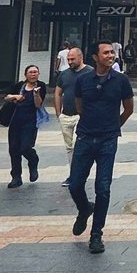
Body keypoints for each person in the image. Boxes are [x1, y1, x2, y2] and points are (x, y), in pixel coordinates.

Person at [69, 41, 133, 253]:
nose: (110, 55)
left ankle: (96, 234)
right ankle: (84, 208)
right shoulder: (83, 80)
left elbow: (129, 108)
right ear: (95, 57)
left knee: (103, 188)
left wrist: (113, 126)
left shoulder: (121, 80)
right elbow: (79, 106)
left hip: (108, 140)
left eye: (112, 52)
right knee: (75, 184)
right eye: (105, 53)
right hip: (85, 137)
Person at [3, 65, 46, 189]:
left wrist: (36, 94)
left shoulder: (41, 86)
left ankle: (33, 160)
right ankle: (16, 177)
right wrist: (14, 97)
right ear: (26, 74)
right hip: (15, 120)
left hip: (30, 121)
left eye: (35, 72)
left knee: (25, 147)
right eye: (31, 72)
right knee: (13, 149)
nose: (33, 74)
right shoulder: (19, 86)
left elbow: (39, 105)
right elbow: (6, 96)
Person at [54, 45, 88, 187]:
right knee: (69, 147)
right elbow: (58, 93)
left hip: (81, 116)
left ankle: (77, 175)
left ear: (80, 57)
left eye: (72, 59)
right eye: (68, 59)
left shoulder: (89, 73)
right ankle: (73, 175)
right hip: (66, 116)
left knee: (77, 145)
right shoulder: (65, 74)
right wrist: (58, 112)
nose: (69, 61)